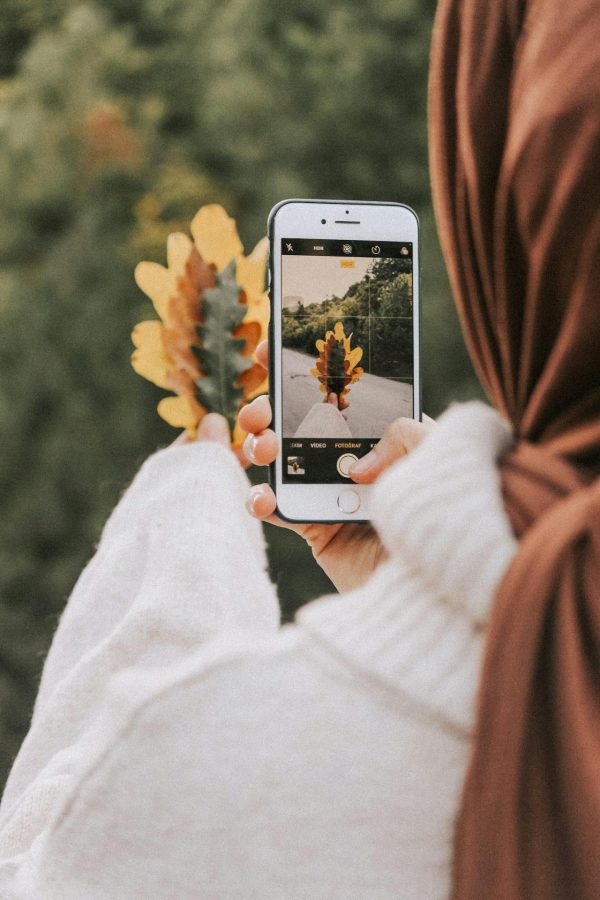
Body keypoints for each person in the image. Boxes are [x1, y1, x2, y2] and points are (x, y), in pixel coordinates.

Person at [0, 1, 598, 899]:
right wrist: (448, 588)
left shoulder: (201, 767)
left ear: (503, 222)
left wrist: (172, 557)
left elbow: (53, 864)